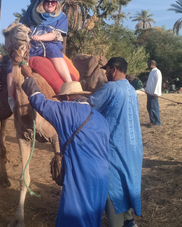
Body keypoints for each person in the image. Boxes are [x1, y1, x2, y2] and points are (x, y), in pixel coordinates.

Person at [20, 64, 109, 227]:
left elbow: (40, 102)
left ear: (67, 98)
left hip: (81, 174)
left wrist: (28, 77)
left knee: (73, 218)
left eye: (62, 99)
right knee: (92, 218)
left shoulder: (67, 110)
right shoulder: (100, 117)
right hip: (102, 175)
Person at [89, 57, 142, 227]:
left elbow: (90, 106)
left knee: (112, 188)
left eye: (106, 70)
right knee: (126, 182)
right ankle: (129, 220)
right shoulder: (131, 89)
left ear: (113, 69)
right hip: (132, 147)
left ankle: (116, 223)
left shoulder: (110, 88)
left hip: (114, 147)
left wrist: (72, 100)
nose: (105, 73)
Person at [8, 0, 72, 111]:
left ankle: (70, 85)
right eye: (47, 1)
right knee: (13, 61)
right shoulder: (32, 16)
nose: (50, 4)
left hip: (48, 45)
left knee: (54, 50)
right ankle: (10, 98)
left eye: (53, 2)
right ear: (42, 2)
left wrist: (40, 37)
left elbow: (55, 35)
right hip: (31, 46)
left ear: (56, 3)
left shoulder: (61, 18)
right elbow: (22, 28)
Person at [144, 60, 162, 126]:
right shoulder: (152, 72)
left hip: (154, 94)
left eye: (148, 64)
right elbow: (150, 82)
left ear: (152, 64)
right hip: (149, 93)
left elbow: (158, 82)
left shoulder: (157, 72)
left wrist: (156, 92)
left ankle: (157, 122)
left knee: (154, 107)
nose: (148, 66)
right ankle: (152, 121)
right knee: (149, 107)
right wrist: (147, 89)